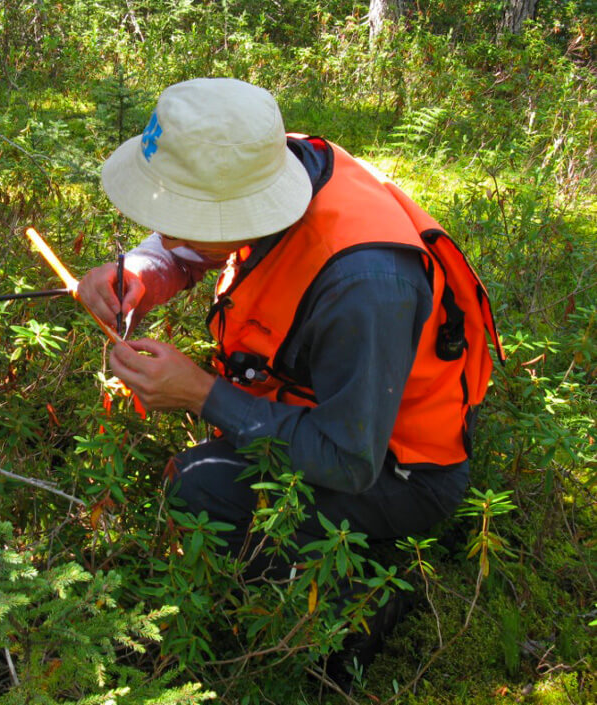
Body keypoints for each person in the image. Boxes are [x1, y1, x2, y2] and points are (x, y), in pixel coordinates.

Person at [78, 78, 502, 589]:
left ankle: (359, 600)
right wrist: (143, 272)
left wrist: (200, 394)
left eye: (180, 219)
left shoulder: (365, 288)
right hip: (329, 418)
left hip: (397, 470)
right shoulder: (265, 159)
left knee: (200, 489)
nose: (166, 234)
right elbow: (199, 242)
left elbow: (349, 462)